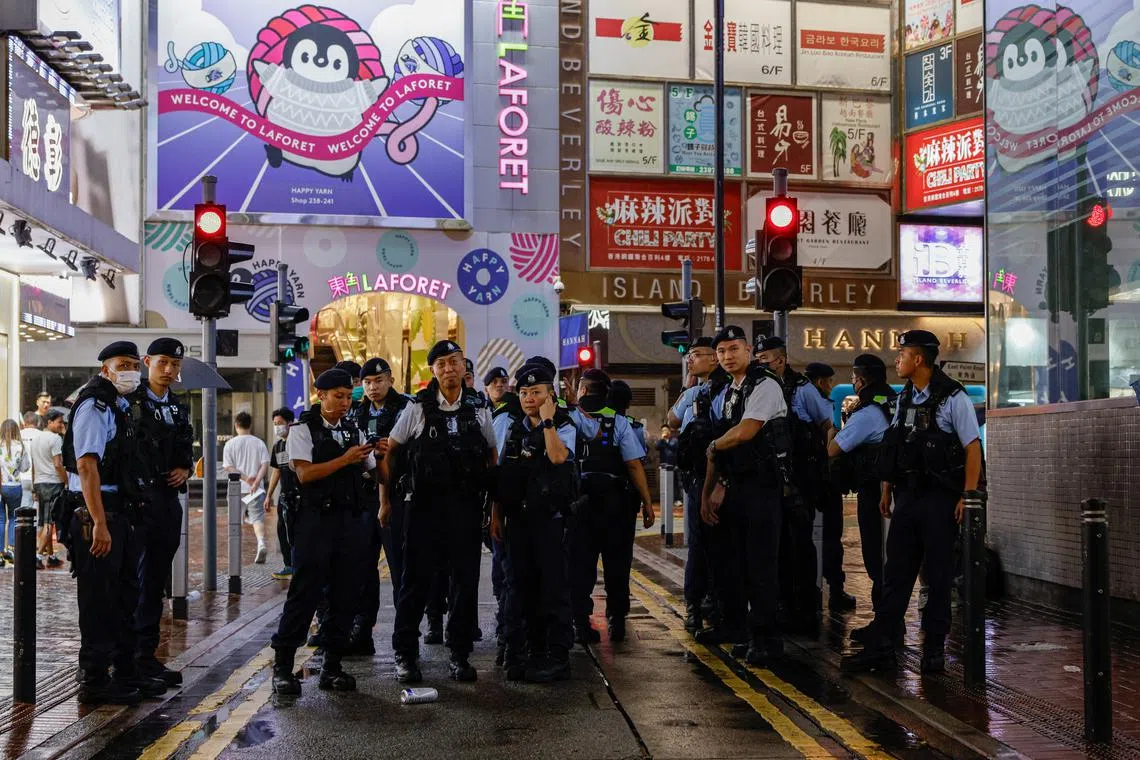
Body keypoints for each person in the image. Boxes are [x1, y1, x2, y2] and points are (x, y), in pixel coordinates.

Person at [842, 331, 983, 675]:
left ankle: (933, 647)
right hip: (907, 496)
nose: (897, 360)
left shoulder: (953, 397)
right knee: (896, 574)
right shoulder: (904, 397)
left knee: (936, 575)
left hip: (939, 498)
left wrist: (968, 495)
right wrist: (888, 490)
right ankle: (884, 644)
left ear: (918, 359)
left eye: (902, 354)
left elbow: (972, 448)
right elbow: (896, 446)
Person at [382, 340, 497, 684]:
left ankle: (459, 655)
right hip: (422, 509)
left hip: (464, 508)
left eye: (454, 362)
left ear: (465, 367)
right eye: (441, 364)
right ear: (432, 370)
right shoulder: (417, 408)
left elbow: (492, 455)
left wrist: (492, 506)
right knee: (414, 583)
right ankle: (405, 654)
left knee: (464, 583)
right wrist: (385, 500)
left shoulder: (479, 409)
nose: (448, 369)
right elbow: (390, 451)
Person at [63, 341, 165, 704]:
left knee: (124, 595)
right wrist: (99, 523)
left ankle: (124, 673)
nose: (131, 372)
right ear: (106, 368)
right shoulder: (95, 404)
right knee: (98, 599)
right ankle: (94, 679)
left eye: (135, 365)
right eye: (123, 364)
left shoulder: (119, 405)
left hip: (119, 510)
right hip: (96, 511)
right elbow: (87, 466)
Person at [271, 369, 377, 696]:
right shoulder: (303, 430)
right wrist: (346, 460)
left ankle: (332, 666)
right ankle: (283, 667)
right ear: (321, 395)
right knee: (305, 593)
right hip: (314, 523)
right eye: (338, 396)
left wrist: (384, 453)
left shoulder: (353, 429)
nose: (345, 403)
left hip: (349, 522)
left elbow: (375, 472)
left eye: (348, 396)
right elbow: (304, 473)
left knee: (346, 594)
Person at [702, 326, 792, 666]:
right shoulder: (728, 392)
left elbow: (746, 431)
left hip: (763, 488)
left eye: (733, 349)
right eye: (722, 351)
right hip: (736, 486)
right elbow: (718, 451)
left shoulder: (765, 384)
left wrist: (715, 445)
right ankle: (742, 633)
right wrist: (708, 492)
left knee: (761, 567)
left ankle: (768, 640)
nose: (727, 356)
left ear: (749, 351)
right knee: (733, 565)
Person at [491, 365, 578, 682]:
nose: (529, 398)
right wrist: (496, 516)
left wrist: (549, 420)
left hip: (551, 522)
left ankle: (557, 656)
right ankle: (520, 651)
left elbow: (557, 458)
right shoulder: (511, 428)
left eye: (537, 392)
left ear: (550, 395)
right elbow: (501, 477)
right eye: (525, 393)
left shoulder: (564, 426)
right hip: (517, 521)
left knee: (553, 589)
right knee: (518, 588)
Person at [127, 337, 195, 687]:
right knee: (134, 581)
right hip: (137, 501)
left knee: (155, 582)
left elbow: (187, 451)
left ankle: (146, 657)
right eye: (163, 363)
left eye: (175, 364)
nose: (169, 370)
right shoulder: (128, 402)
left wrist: (186, 470)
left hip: (167, 501)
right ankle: (128, 661)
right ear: (147, 361)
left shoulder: (179, 407)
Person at [571, 368, 655, 644]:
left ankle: (580, 622)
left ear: (582, 390)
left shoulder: (568, 417)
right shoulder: (618, 422)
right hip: (615, 504)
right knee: (617, 564)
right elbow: (633, 464)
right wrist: (647, 502)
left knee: (580, 565)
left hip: (578, 504)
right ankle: (617, 620)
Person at [754, 336, 823, 629]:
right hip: (772, 477)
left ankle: (805, 608)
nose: (761, 363)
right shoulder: (757, 387)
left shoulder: (803, 389)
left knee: (800, 542)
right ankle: (781, 603)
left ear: (780, 360)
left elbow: (826, 426)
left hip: (800, 479)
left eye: (765, 358)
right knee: (776, 544)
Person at [348, 357, 411, 654]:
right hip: (364, 497)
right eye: (367, 383)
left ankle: (405, 636)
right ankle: (362, 631)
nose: (373, 387)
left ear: (391, 380)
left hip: (397, 497)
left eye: (379, 381)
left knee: (400, 566)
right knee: (362, 567)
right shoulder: (356, 412)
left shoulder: (406, 408)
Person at [828, 354, 897, 616]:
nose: (854, 384)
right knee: (886, 554)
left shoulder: (867, 412)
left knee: (875, 554)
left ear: (862, 380)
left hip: (874, 489)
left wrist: (829, 435)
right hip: (888, 486)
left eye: (854, 379)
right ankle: (888, 621)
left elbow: (834, 450)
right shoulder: (892, 401)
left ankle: (885, 622)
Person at [667, 337, 724, 632]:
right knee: (699, 544)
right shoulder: (695, 390)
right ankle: (696, 604)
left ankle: (711, 604)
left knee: (713, 545)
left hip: (716, 478)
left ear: (714, 358)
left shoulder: (724, 390)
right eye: (689, 355)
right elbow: (672, 419)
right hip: (696, 476)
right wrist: (687, 388)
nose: (690, 359)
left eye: (696, 355)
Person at [803, 361, 855, 612]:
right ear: (822, 382)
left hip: (803, 481)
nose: (830, 386)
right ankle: (835, 590)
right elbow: (830, 443)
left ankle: (809, 590)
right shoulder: (822, 405)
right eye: (829, 382)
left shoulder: (794, 400)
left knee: (804, 536)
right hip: (824, 481)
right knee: (831, 537)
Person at [222, 411, 271, 563]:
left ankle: (234, 553)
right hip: (255, 490)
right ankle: (261, 543)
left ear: (236, 425)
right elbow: (265, 465)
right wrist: (256, 481)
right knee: (257, 519)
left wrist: (243, 478)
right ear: (250, 425)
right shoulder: (259, 443)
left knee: (235, 520)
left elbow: (228, 467)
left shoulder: (230, 444)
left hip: (237, 488)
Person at [30, 409, 67, 567]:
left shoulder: (35, 439)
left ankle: (50, 556)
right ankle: (38, 556)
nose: (61, 425)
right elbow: (58, 464)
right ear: (49, 422)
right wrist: (66, 480)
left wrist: (34, 486)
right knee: (49, 522)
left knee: (44, 520)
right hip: (53, 483)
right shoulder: (55, 439)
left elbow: (33, 465)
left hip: (39, 482)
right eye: (59, 421)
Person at [266, 408, 299, 581]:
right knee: (283, 531)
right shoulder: (278, 446)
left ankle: (297, 565)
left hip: (299, 496)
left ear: (290, 423)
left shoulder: (299, 441)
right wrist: (269, 495)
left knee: (296, 531)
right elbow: (276, 471)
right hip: (284, 496)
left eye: (279, 424)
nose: (277, 427)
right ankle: (289, 565)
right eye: (274, 424)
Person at [0, 419, 30, 563]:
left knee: (0, 520)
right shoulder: (21, 446)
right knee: (13, 518)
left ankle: (0, 552)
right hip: (15, 486)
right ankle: (11, 549)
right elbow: (25, 467)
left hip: (1, 485)